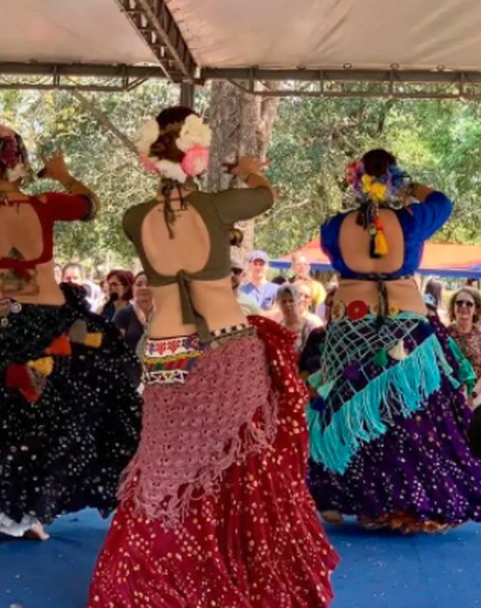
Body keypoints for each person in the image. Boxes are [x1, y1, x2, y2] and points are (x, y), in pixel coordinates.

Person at [90, 107, 337, 606]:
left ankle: (156, 569)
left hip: (164, 350)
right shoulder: (214, 207)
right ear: (197, 153)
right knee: (239, 465)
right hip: (225, 346)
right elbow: (265, 195)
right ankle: (226, 572)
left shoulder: (135, 218)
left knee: (163, 464)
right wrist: (248, 166)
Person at [0, 124, 141, 546]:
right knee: (49, 419)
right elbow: (91, 206)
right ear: (17, 160)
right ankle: (10, 513)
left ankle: (12, 515)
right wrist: (63, 174)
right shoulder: (43, 205)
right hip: (45, 323)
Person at [305, 149, 481, 533]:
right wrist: (409, 188)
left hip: (352, 329)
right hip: (405, 331)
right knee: (409, 418)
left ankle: (355, 500)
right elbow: (442, 202)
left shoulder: (334, 227)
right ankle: (405, 505)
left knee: (349, 409)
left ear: (355, 182)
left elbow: (340, 253)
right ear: (393, 179)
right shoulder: (411, 221)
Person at [447, 286, 481, 408]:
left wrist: (472, 393)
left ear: (475, 310)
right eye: (459, 302)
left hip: (476, 396)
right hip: (449, 396)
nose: (463, 306)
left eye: (469, 304)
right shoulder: (443, 335)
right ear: (453, 307)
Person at [275, 283, 324, 353]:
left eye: (291, 301)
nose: (288, 304)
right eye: (284, 301)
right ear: (278, 304)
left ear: (298, 302)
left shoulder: (309, 326)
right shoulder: (278, 327)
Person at [112, 272, 152, 353]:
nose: (144, 288)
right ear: (133, 288)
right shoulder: (123, 314)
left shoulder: (163, 313)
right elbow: (115, 347)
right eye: (139, 284)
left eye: (148, 284)